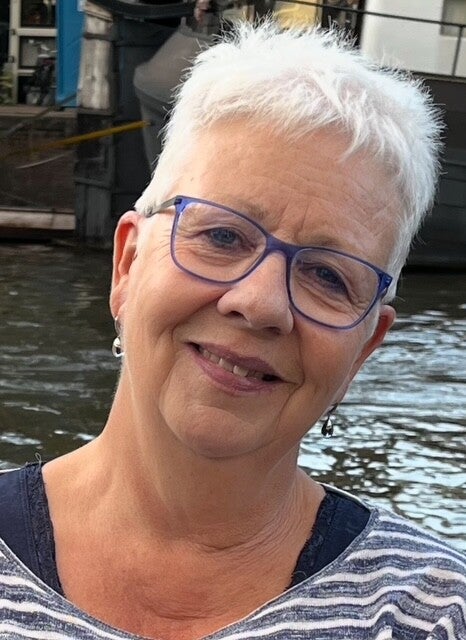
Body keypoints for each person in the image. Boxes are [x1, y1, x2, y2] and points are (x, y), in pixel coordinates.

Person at [0, 20, 465, 640]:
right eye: (222, 236)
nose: (261, 303)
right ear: (128, 265)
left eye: (328, 276)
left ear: (364, 349)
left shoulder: (434, 612)